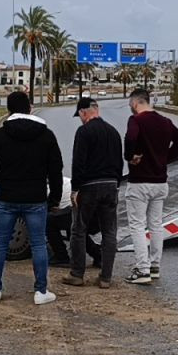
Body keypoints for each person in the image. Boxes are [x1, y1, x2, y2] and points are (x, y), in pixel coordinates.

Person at [0, 90, 64, 305]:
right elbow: (56, 171)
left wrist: (4, 180)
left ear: (8, 110)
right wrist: (53, 199)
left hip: (7, 197)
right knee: (38, 243)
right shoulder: (47, 135)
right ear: (29, 108)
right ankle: (41, 291)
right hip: (36, 199)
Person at [123, 88, 178, 285]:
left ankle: (142, 269)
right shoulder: (165, 122)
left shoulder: (136, 120)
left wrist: (129, 156)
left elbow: (131, 138)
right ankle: (154, 265)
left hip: (140, 182)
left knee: (136, 225)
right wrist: (165, 158)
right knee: (156, 225)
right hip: (160, 182)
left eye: (130, 105)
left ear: (135, 103)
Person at [62, 97, 123, 289]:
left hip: (89, 187)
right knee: (109, 231)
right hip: (111, 185)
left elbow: (78, 163)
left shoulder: (84, 131)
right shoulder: (113, 132)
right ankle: (106, 277)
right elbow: (119, 163)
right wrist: (116, 184)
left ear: (83, 112)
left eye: (79, 115)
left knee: (78, 229)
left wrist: (75, 190)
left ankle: (77, 274)